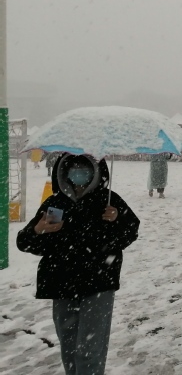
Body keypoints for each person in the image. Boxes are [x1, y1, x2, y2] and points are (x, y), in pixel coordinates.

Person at [17, 153, 140, 375]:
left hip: (98, 283)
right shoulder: (56, 204)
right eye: (73, 168)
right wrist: (37, 230)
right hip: (61, 283)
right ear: (64, 171)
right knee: (69, 346)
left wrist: (117, 220)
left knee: (91, 348)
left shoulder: (108, 201)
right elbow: (26, 243)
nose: (79, 173)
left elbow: (129, 233)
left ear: (96, 171)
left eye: (85, 168)